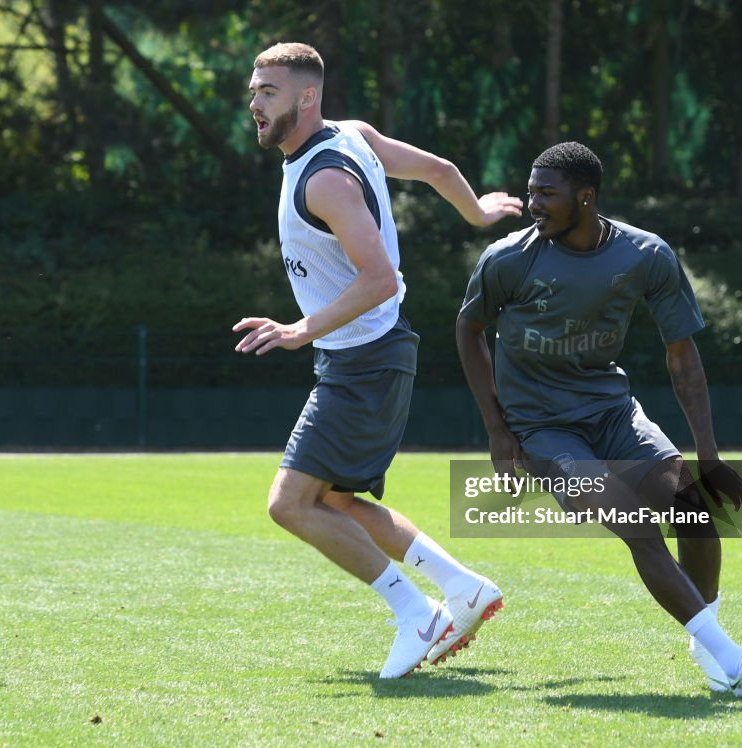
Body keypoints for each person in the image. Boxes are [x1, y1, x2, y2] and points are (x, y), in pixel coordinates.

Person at [455, 141, 742, 696]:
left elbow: (683, 357)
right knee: (638, 527)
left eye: (546, 193)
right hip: (545, 430)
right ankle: (738, 666)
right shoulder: (507, 259)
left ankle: (709, 647)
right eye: (530, 193)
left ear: (586, 196)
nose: (533, 204)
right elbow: (468, 329)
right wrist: (498, 429)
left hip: (613, 412)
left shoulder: (645, 254)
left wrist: (710, 456)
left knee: (694, 511)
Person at [234, 42, 523, 679]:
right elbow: (441, 169)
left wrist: (296, 330)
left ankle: (417, 616)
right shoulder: (352, 135)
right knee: (333, 501)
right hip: (368, 358)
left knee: (290, 504)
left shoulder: (325, 177)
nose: (254, 104)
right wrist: (478, 212)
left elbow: (380, 279)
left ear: (306, 98)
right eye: (254, 91)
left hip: (363, 362)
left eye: (268, 92)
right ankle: (463, 589)